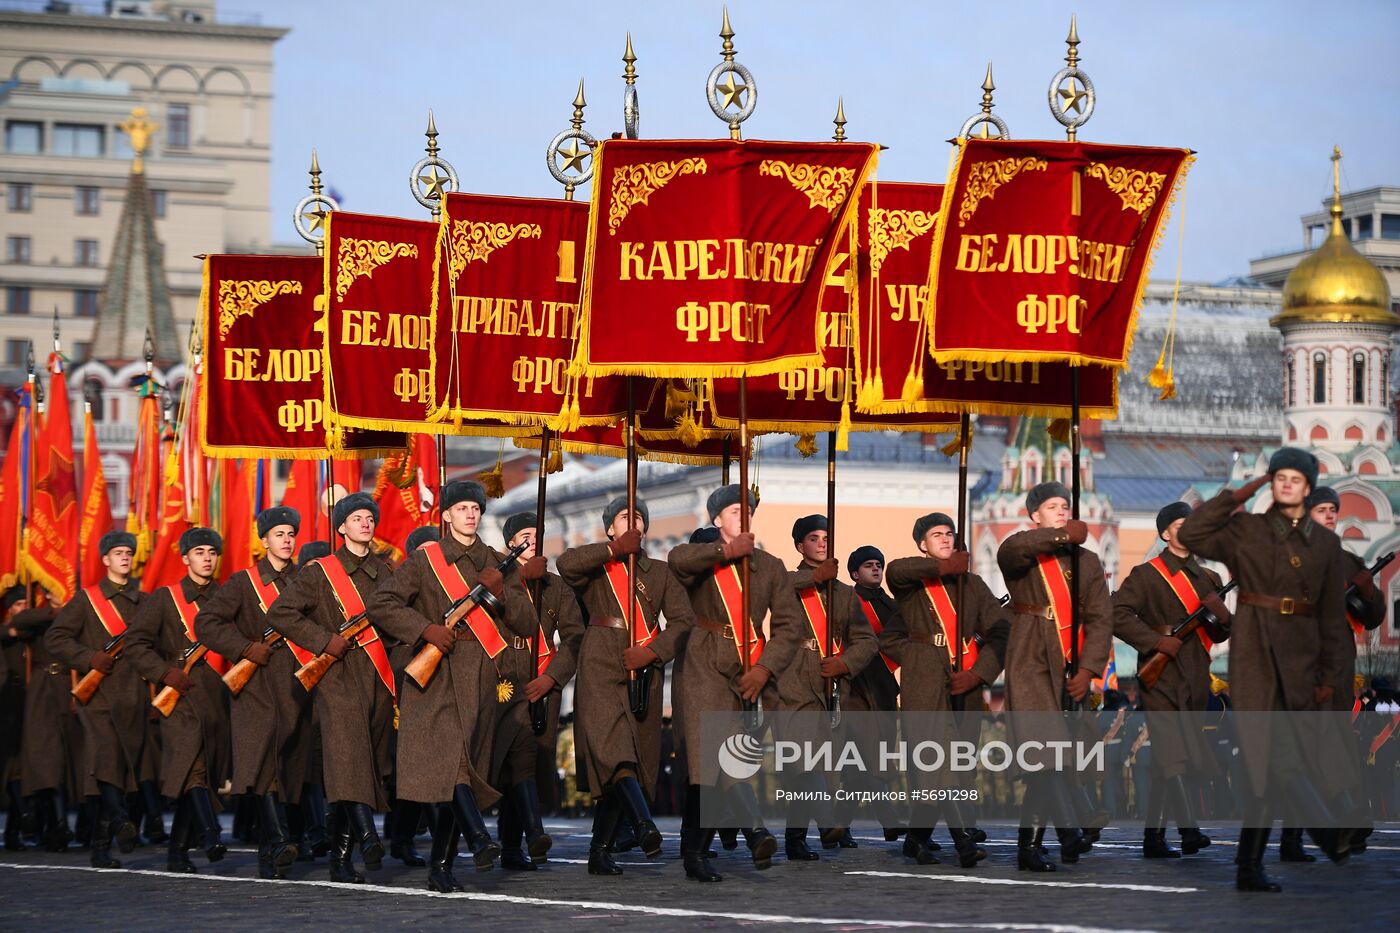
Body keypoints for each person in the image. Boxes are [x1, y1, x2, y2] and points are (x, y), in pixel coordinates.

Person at [1179, 448, 1353, 892]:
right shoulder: (1246, 530)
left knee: (1267, 768)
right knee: (1277, 755)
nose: (1287, 484)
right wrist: (1240, 492)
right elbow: (1196, 532)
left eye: (1296, 478)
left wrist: (1329, 677)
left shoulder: (1327, 544)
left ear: (1308, 486)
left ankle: (1248, 866)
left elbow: (1333, 618)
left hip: (1302, 660)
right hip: (1256, 657)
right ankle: (1329, 834)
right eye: (1280, 477)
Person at [368, 480, 535, 892]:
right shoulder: (426, 561)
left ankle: (441, 866)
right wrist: (424, 629)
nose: (470, 514)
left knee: (461, 767)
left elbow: (528, 624)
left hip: (478, 674)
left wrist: (502, 593)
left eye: (475, 508)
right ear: (445, 516)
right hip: (435, 674)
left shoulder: (497, 562)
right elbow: (382, 603)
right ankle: (477, 839)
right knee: (452, 764)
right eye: (461, 508)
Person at [668, 485, 802, 878]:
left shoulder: (770, 565)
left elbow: (789, 624)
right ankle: (699, 852)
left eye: (746, 510)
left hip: (747, 666)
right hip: (702, 663)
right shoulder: (704, 557)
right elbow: (678, 560)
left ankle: (703, 846)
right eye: (731, 511)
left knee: (728, 760)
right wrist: (726, 552)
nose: (741, 516)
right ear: (716, 520)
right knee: (705, 758)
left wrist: (765, 669)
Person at [558, 496, 695, 877]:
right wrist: (613, 551)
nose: (632, 522)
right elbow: (566, 565)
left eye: (638, 517)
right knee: (613, 749)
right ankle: (643, 824)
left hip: (644, 670)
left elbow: (683, 622)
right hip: (601, 660)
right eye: (623, 517)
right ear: (609, 528)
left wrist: (653, 652)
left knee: (630, 760)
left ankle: (599, 851)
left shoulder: (661, 573)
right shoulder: (597, 566)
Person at [267, 493, 397, 884]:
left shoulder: (386, 572)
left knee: (362, 762)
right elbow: (281, 613)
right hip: (336, 678)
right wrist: (323, 640)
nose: (365, 523)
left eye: (369, 518)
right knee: (348, 757)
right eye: (356, 518)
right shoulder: (319, 572)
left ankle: (340, 860)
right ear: (341, 527)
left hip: (376, 677)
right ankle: (368, 835)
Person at [997, 482, 1111, 871]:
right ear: (1035, 516)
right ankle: (1069, 830)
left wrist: (1088, 669)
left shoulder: (1088, 561)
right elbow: (1009, 551)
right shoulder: (1023, 551)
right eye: (1052, 507)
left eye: (1065, 506)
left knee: (1049, 757)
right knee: (1044, 752)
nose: (1061, 511)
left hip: (1069, 662)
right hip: (1029, 657)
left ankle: (1029, 849)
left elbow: (1100, 619)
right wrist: (1062, 536)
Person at [882, 512, 1006, 867]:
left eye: (950, 534)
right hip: (923, 685)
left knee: (953, 768)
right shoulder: (914, 582)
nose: (945, 539)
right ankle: (964, 842)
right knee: (939, 764)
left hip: (963, 684)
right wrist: (919, 655)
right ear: (923, 544)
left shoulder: (973, 586)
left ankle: (916, 839)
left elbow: (1000, 632)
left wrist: (979, 674)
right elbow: (896, 571)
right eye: (936, 535)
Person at [196, 506, 309, 879]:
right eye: (279, 535)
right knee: (263, 764)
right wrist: (243, 649)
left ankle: (272, 847)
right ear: (264, 541)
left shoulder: (306, 580)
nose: (287, 541)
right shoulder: (244, 583)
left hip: (297, 683)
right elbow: (206, 622)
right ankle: (277, 840)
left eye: (291, 534)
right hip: (257, 686)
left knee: (289, 766)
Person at [1112, 502, 1229, 859]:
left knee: (1171, 755)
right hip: (1159, 672)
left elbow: (1221, 633)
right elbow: (1116, 613)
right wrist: (1154, 640)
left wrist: (1222, 612)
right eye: (1181, 524)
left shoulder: (1210, 579)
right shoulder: (1147, 574)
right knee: (1172, 749)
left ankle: (1153, 838)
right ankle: (1189, 829)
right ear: (1165, 533)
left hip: (1194, 674)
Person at [125, 528, 232, 873]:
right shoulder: (165, 598)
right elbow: (135, 644)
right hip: (180, 692)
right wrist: (163, 673)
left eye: (212, 552)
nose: (206, 558)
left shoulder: (226, 597)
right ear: (185, 558)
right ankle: (211, 832)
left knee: (201, 771)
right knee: (192, 768)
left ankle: (177, 851)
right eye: (199, 552)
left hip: (216, 696)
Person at [46, 530, 148, 869]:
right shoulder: (87, 600)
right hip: (99, 694)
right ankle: (119, 820)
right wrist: (89, 658)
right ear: (105, 559)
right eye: (117, 553)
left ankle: (101, 847)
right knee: (105, 757)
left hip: (133, 696)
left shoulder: (143, 602)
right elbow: (56, 638)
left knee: (119, 767)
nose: (123, 558)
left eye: (127, 553)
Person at [782, 515, 878, 858]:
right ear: (799, 546)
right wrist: (812, 578)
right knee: (804, 758)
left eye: (826, 537)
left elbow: (866, 641)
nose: (822, 543)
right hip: (793, 680)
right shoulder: (788, 580)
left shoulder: (845, 594)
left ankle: (794, 840)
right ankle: (826, 824)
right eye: (814, 538)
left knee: (816, 764)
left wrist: (846, 663)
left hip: (832, 683)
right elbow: (774, 589)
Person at [499, 511, 583, 871]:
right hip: (503, 683)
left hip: (544, 683)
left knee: (532, 763)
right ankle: (524, 838)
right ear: (509, 544)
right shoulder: (497, 581)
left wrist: (553, 677)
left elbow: (574, 636)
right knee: (510, 763)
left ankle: (520, 842)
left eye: (537, 534)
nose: (531, 540)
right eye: (523, 535)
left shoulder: (556, 586)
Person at [845, 546, 905, 842]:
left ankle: (838, 827)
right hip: (856, 691)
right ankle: (889, 820)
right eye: (869, 565)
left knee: (866, 765)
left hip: (883, 690)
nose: (876, 569)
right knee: (871, 758)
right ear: (855, 573)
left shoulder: (892, 605)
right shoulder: (847, 602)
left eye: (879, 564)